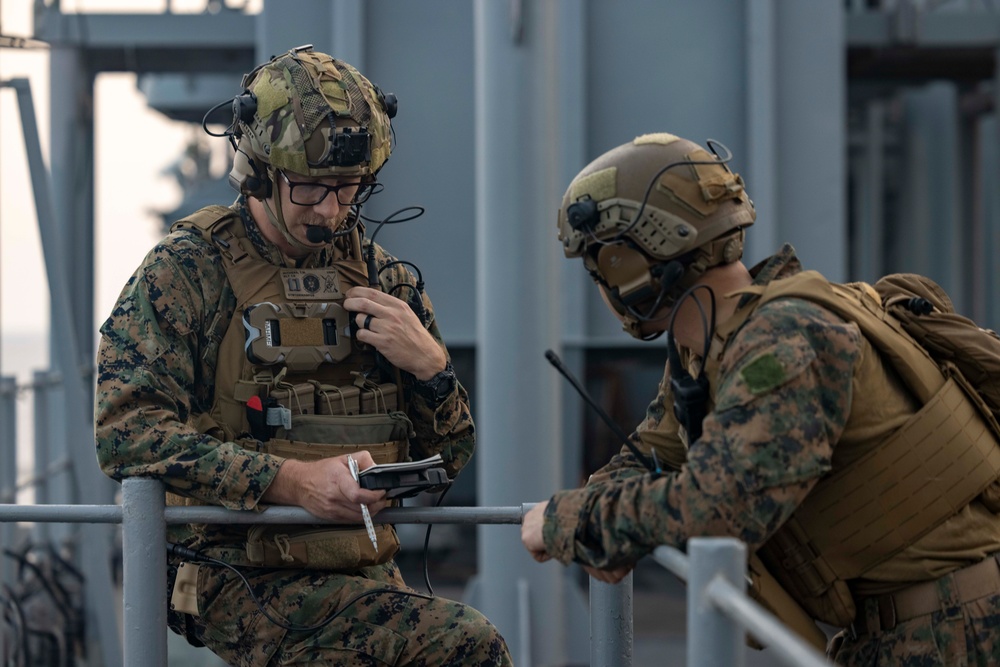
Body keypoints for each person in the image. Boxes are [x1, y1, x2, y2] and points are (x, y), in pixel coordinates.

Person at [95, 45, 511, 666]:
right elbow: (125, 432)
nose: (331, 211)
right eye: (312, 188)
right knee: (466, 645)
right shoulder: (187, 272)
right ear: (260, 172)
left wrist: (432, 371)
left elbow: (447, 459)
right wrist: (292, 483)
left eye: (349, 190)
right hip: (229, 571)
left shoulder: (385, 280)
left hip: (358, 567)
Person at [520, 131, 1000, 665]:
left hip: (957, 633)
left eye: (599, 265)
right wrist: (602, 520)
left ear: (626, 266)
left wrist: (575, 523)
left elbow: (720, 508)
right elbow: (650, 455)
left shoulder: (785, 337)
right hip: (908, 630)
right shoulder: (711, 349)